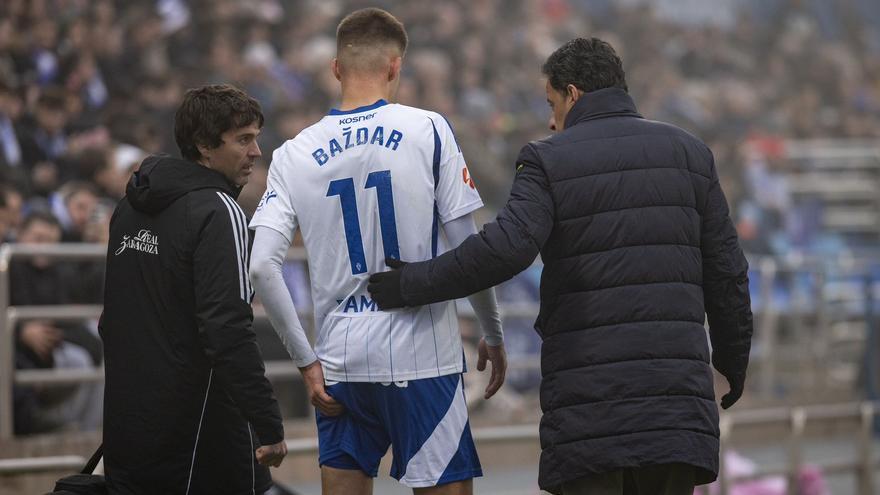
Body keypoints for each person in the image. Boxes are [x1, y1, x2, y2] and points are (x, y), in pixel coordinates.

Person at [368, 37, 754, 495]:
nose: (551, 121)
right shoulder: (692, 154)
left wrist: (409, 283)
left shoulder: (547, 159)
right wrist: (732, 363)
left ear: (573, 94)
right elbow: (728, 274)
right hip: (676, 415)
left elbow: (505, 250)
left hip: (591, 414)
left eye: (551, 103)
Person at [248, 8, 506, 495]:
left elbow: (261, 266)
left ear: (336, 68)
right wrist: (491, 332)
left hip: (340, 363)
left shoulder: (291, 153)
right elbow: (469, 250)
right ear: (395, 66)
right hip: (423, 357)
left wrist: (306, 361)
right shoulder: (429, 129)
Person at [99, 84, 287, 495]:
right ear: (204, 145)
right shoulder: (220, 211)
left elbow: (112, 319)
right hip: (196, 431)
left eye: (256, 138)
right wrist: (267, 422)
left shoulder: (130, 205)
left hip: (128, 424)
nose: (256, 152)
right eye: (243, 139)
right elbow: (229, 331)